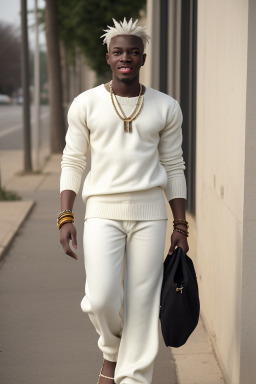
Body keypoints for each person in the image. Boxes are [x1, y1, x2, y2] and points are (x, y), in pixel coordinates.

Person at [59, 17, 189, 384]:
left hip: (150, 215)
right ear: (108, 58)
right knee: (101, 298)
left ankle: (133, 379)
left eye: (133, 52)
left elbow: (174, 165)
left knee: (143, 304)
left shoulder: (166, 107)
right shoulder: (86, 104)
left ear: (143, 58)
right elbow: (73, 160)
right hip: (101, 211)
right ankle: (113, 352)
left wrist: (180, 225)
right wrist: (65, 215)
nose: (126, 57)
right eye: (118, 52)